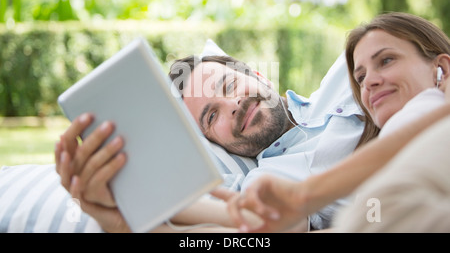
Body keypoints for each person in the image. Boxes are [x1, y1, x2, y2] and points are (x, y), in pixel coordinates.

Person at [55, 42, 365, 232]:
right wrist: (129, 218)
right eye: (212, 116)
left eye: (229, 86)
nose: (232, 106)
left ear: (259, 76)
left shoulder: (350, 68)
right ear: (213, 143)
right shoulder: (265, 184)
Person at [215, 12, 450, 232]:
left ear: (442, 68)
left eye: (386, 60)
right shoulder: (264, 180)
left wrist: (303, 195)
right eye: (360, 78)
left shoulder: (429, 108)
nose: (368, 83)